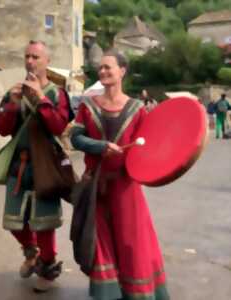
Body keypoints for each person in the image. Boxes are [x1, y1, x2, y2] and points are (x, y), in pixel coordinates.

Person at [70, 50, 170, 300]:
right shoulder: (88, 105)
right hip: (96, 187)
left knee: (132, 244)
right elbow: (75, 138)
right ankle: (108, 294)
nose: (103, 71)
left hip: (127, 188)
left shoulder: (138, 109)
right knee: (100, 245)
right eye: (100, 68)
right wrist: (100, 147)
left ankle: (137, 294)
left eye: (108, 67)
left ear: (122, 71)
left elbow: (149, 148)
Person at [0, 40, 73, 292]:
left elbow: (60, 127)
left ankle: (47, 270)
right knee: (13, 222)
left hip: (46, 166)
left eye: (36, 57)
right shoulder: (13, 91)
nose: (30, 61)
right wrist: (13, 103)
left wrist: (40, 97)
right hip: (19, 165)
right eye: (27, 56)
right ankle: (32, 252)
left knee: (45, 223)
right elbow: (1, 128)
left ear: (47, 61)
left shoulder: (57, 93)